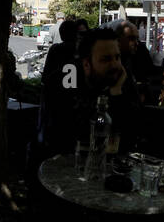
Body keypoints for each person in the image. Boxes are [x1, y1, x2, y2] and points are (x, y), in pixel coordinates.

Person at [39, 27, 138, 159]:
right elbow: (67, 135)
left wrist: (116, 92)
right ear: (86, 64)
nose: (115, 65)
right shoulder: (67, 79)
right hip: (61, 165)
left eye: (117, 57)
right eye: (106, 59)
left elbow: (131, 134)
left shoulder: (121, 78)